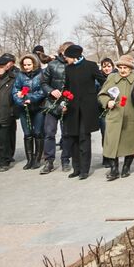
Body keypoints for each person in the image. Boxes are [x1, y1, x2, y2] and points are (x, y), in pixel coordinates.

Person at [98, 57, 134, 180]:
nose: (123, 70)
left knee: (130, 143)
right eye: (120, 67)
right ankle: (114, 169)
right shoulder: (112, 78)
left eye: (126, 68)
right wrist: (107, 102)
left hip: (132, 115)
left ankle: (126, 167)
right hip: (114, 116)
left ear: (131, 69)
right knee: (112, 144)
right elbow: (102, 94)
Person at [59, 44, 101, 179]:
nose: (65, 59)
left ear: (74, 56)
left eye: (67, 57)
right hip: (72, 109)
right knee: (73, 138)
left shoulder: (91, 66)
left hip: (87, 109)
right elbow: (66, 87)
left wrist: (99, 96)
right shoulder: (68, 68)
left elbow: (103, 81)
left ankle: (84, 169)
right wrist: (64, 102)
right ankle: (76, 168)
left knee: (84, 138)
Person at [38, 41, 72, 174]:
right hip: (51, 104)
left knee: (67, 134)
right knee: (49, 133)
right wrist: (51, 91)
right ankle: (49, 161)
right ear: (61, 51)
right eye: (66, 51)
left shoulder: (75, 65)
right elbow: (43, 82)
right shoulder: (52, 65)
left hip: (67, 104)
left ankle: (65, 160)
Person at [13, 54, 46, 169]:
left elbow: (43, 90)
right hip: (24, 108)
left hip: (38, 107)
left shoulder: (41, 74)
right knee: (27, 134)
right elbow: (15, 90)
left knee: (38, 133)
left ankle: (37, 159)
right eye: (25, 65)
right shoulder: (20, 75)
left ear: (34, 64)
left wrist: (31, 98)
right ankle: (29, 159)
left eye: (29, 64)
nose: (26, 67)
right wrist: (20, 101)